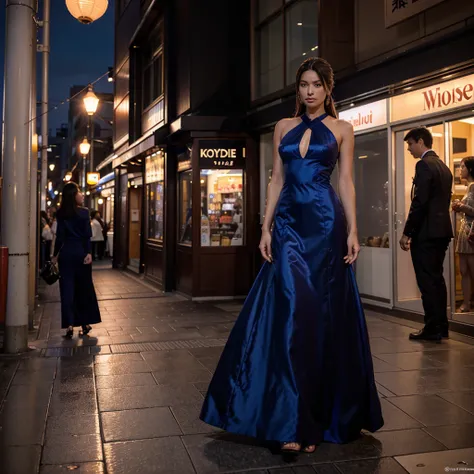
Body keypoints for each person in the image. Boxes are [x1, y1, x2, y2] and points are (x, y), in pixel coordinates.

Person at [200, 58, 384, 453]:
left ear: (329, 88)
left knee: (317, 316)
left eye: (317, 84)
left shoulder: (342, 128)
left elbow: (347, 181)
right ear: (297, 89)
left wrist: (352, 229)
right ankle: (288, 418)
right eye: (303, 84)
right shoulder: (283, 127)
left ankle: (312, 419)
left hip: (323, 224)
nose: (310, 91)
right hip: (286, 225)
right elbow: (277, 180)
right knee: (291, 311)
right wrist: (264, 228)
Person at [399, 127, 453, 341]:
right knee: (437, 279)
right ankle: (442, 326)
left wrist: (407, 232)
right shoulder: (444, 167)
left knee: (426, 281)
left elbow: (419, 202)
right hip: (441, 231)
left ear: (421, 142)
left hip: (426, 233)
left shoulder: (423, 165)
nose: (409, 149)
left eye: (410, 144)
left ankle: (432, 327)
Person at [52, 182, 101, 338]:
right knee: (84, 288)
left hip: (66, 254)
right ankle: (85, 323)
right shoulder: (84, 213)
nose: (82, 194)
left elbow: (60, 237)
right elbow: (87, 235)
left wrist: (55, 255)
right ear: (74, 195)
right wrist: (88, 252)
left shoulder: (61, 214)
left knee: (67, 290)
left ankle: (69, 325)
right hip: (81, 253)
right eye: (79, 192)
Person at [452, 156, 474, 312]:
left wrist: (462, 207)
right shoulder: (469, 187)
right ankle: (466, 302)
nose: (460, 170)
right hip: (465, 231)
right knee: (463, 270)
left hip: (471, 231)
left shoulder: (473, 187)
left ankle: (468, 302)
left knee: (471, 270)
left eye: (463, 167)